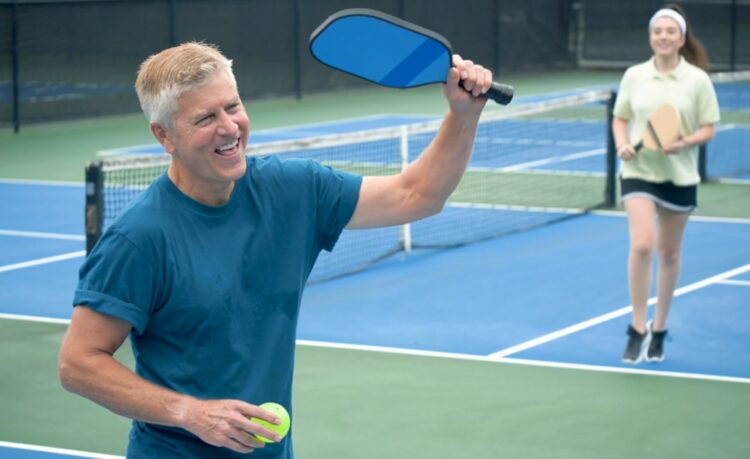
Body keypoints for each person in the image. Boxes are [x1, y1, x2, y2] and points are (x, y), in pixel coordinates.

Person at [57, 41, 494, 458]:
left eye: (233, 106)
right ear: (164, 135)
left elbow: (418, 195)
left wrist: (463, 113)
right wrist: (190, 413)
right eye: (204, 118)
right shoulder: (139, 240)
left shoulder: (292, 190)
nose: (229, 128)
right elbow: (77, 364)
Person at [612, 4, 719, 364]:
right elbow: (620, 118)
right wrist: (622, 144)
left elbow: (708, 128)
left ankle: (659, 328)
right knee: (642, 245)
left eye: (670, 31)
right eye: (657, 31)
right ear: (651, 37)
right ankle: (637, 327)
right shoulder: (634, 76)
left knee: (669, 254)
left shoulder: (698, 80)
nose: (663, 36)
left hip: (679, 174)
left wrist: (684, 142)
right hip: (639, 172)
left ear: (681, 38)